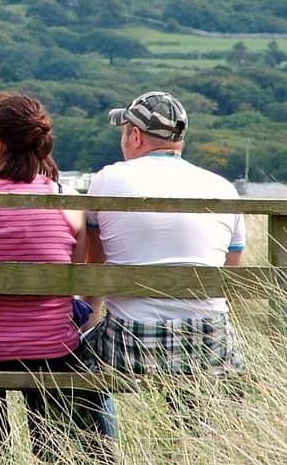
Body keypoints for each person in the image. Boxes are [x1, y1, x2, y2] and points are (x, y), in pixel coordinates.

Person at [0, 92, 114, 465]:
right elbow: (76, 266)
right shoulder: (67, 202)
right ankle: (51, 457)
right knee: (50, 351)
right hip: (52, 349)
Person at [84, 91, 245, 429]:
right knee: (205, 379)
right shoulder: (223, 188)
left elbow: (94, 269)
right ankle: (199, 453)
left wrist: (89, 322)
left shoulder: (107, 180)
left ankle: (100, 464)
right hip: (209, 339)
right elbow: (230, 276)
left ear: (136, 135)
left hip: (132, 340)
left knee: (73, 367)